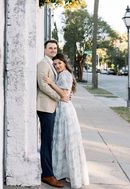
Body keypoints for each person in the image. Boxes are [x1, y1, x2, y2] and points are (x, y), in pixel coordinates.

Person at [44, 53, 89, 189]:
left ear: (64, 63)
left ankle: (61, 172)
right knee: (61, 141)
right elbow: (65, 94)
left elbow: (64, 94)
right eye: (55, 64)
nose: (57, 66)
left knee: (66, 141)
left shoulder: (65, 75)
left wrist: (51, 83)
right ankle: (60, 171)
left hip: (65, 110)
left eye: (59, 63)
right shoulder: (63, 74)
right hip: (62, 108)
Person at [37, 40, 68, 188]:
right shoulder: (43, 63)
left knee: (49, 141)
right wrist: (59, 97)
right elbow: (42, 86)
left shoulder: (52, 63)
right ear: (44, 49)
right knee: (46, 141)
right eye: (50, 48)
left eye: (55, 48)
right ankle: (47, 175)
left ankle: (49, 172)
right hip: (45, 107)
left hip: (52, 107)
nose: (53, 50)